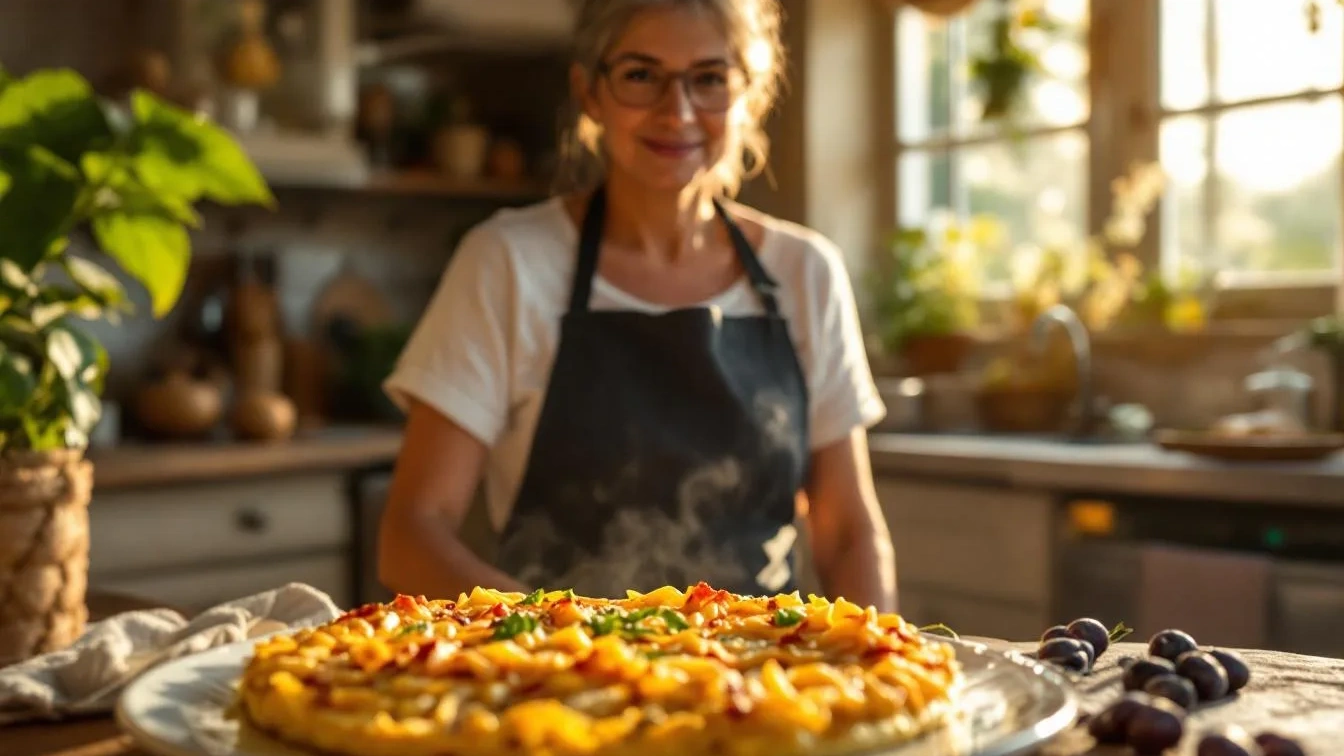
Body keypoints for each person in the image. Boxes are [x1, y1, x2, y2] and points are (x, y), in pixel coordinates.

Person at [378, 0, 897, 610]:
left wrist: (878, 657)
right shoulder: (508, 263)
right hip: (556, 679)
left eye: (709, 79)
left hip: (762, 676)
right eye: (641, 75)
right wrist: (566, 636)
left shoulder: (806, 272)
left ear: (750, 96)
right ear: (590, 92)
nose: (675, 113)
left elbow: (846, 533)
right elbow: (411, 535)